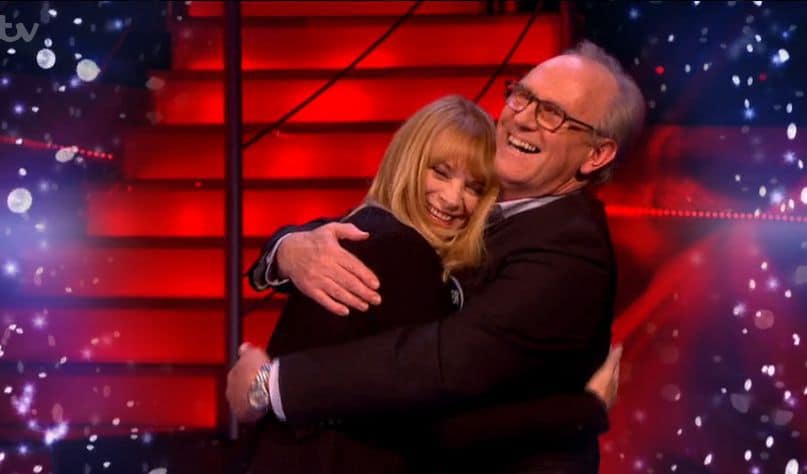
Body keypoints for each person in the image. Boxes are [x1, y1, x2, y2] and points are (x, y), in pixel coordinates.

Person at [229, 40, 643, 473]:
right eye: (523, 95)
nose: (522, 118)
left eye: (552, 113)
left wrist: (272, 384)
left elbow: (448, 366)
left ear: (597, 154)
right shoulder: (408, 235)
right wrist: (287, 249)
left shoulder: (570, 248)